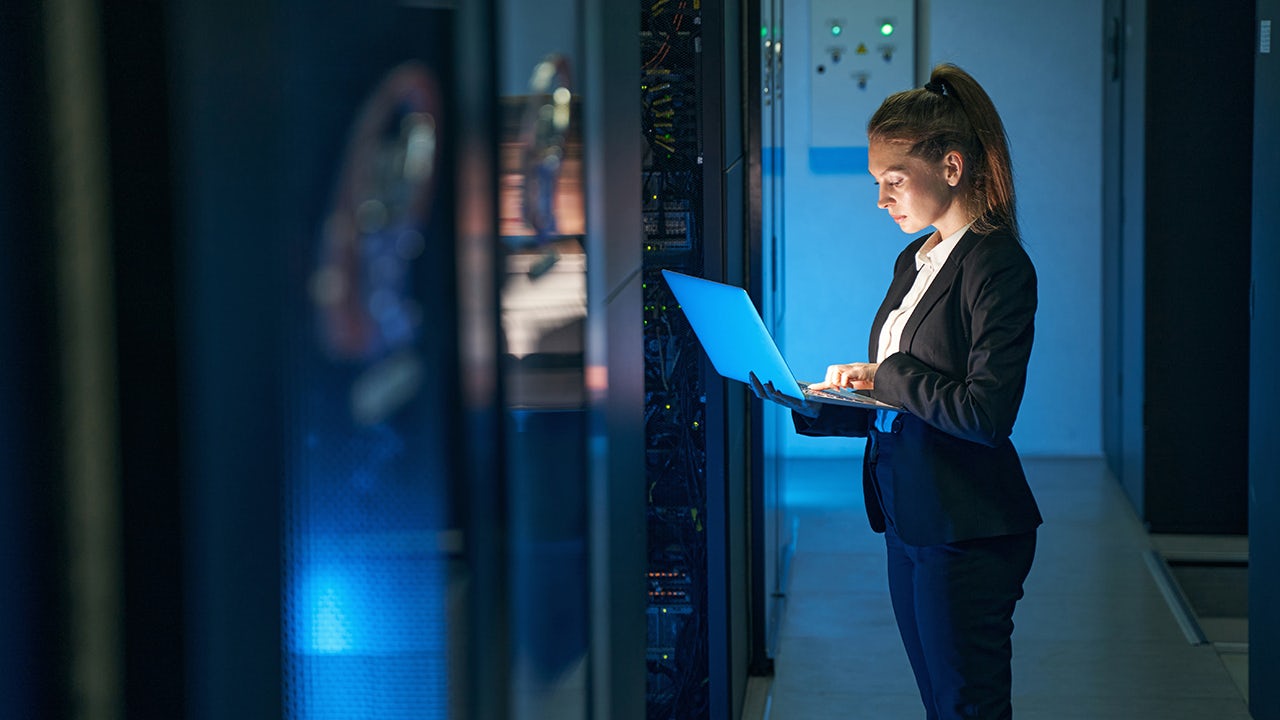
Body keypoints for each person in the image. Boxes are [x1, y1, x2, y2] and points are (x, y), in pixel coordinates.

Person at [751, 63, 1041, 719]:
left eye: (893, 180)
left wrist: (883, 374)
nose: (882, 199)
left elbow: (984, 413)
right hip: (908, 510)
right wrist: (814, 403)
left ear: (952, 166)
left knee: (967, 707)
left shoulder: (998, 266)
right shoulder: (915, 259)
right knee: (941, 703)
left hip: (965, 524)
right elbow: (905, 405)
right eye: (877, 182)